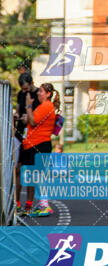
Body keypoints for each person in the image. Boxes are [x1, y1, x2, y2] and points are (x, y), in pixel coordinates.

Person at [20, 83, 58, 216]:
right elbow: (32, 120)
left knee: (38, 176)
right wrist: (27, 116)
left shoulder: (47, 106)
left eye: (41, 91)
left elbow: (33, 122)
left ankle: (45, 205)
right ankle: (42, 204)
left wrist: (28, 106)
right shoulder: (43, 107)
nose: (38, 93)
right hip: (34, 144)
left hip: (40, 144)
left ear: (48, 94)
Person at [14, 72, 40, 213]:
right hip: (20, 133)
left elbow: (38, 116)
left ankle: (29, 204)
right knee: (17, 168)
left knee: (31, 171)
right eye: (22, 89)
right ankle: (17, 202)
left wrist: (29, 116)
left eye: (26, 88)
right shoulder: (20, 94)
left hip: (32, 135)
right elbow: (19, 109)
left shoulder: (38, 94)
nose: (24, 92)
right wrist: (18, 115)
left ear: (31, 83)